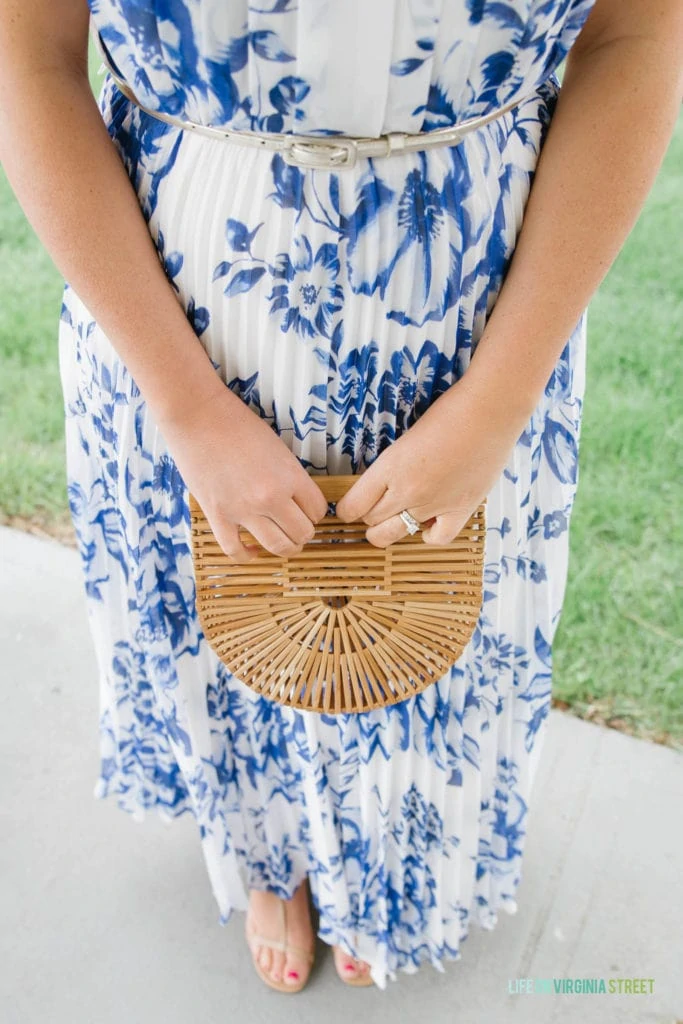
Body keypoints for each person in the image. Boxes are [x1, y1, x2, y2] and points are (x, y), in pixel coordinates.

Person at [1, 0, 680, 996]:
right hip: (177, 316)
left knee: (435, 627)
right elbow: (30, 56)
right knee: (233, 627)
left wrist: (494, 405)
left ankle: (386, 871)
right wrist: (186, 408)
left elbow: (637, 34)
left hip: (476, 319)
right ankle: (274, 859)